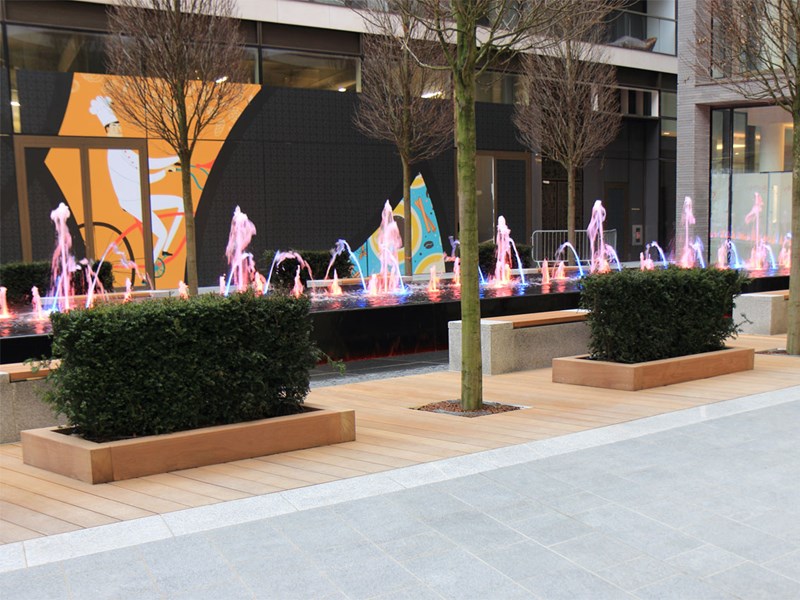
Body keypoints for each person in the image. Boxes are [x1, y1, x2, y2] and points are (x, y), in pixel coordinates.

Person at [89, 95, 184, 262]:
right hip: (131, 201)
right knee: (160, 232)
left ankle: (167, 248)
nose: (118, 128)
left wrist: (175, 158)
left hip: (140, 197)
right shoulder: (113, 155)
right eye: (114, 126)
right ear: (107, 130)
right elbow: (139, 178)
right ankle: (148, 276)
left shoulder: (123, 149)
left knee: (180, 202)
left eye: (118, 125)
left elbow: (146, 162)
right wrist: (164, 172)